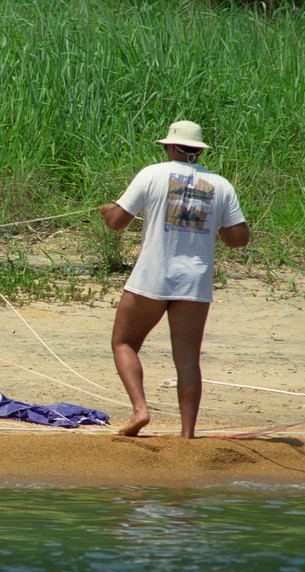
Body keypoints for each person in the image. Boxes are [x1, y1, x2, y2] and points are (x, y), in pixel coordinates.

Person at [99, 120, 250, 439]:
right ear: (198, 151)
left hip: (153, 276)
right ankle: (187, 434)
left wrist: (106, 210)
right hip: (194, 282)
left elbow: (116, 222)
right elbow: (239, 238)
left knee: (123, 342)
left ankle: (140, 409)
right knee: (188, 360)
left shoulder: (152, 173)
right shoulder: (220, 184)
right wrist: (218, 229)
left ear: (170, 147)